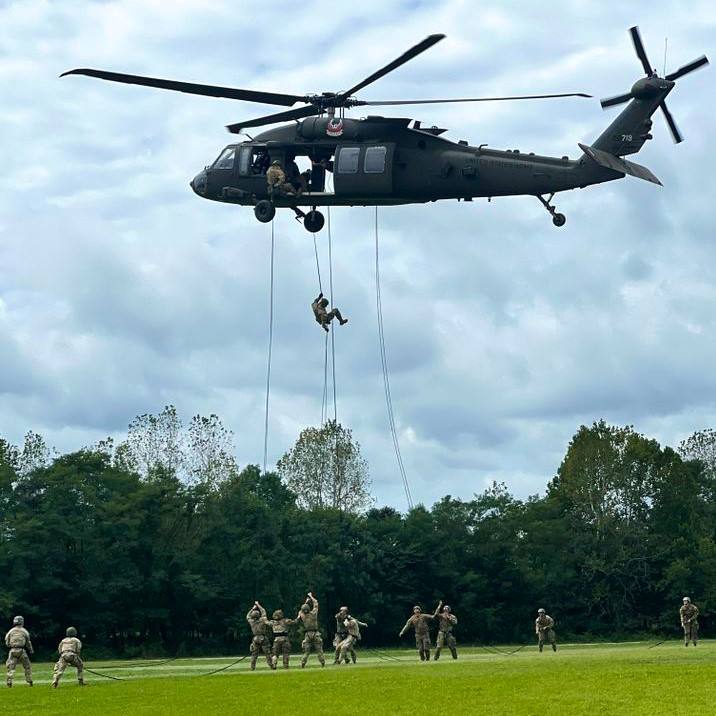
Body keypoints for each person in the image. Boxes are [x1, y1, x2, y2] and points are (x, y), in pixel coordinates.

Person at [297, 592, 325, 668]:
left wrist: (305, 602)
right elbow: (316, 603)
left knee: (306, 651)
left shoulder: (302, 615)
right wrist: (311, 596)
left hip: (307, 634)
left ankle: (303, 663)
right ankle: (322, 663)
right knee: (319, 650)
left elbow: (301, 609)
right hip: (315, 633)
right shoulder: (313, 613)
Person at [5, 615, 33, 687]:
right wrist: (30, 650)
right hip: (21, 650)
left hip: (12, 651)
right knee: (27, 666)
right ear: (22, 622)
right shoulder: (24, 631)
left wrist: (9, 646)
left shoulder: (11, 631)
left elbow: (6, 640)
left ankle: (9, 682)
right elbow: (28, 642)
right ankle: (29, 681)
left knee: (10, 667)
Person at [247, 602, 274, 671]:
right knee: (267, 653)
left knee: (254, 654)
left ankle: (252, 667)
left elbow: (247, 616)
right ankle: (271, 665)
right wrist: (258, 605)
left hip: (255, 638)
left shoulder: (251, 621)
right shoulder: (262, 620)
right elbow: (263, 611)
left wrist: (252, 609)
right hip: (263, 638)